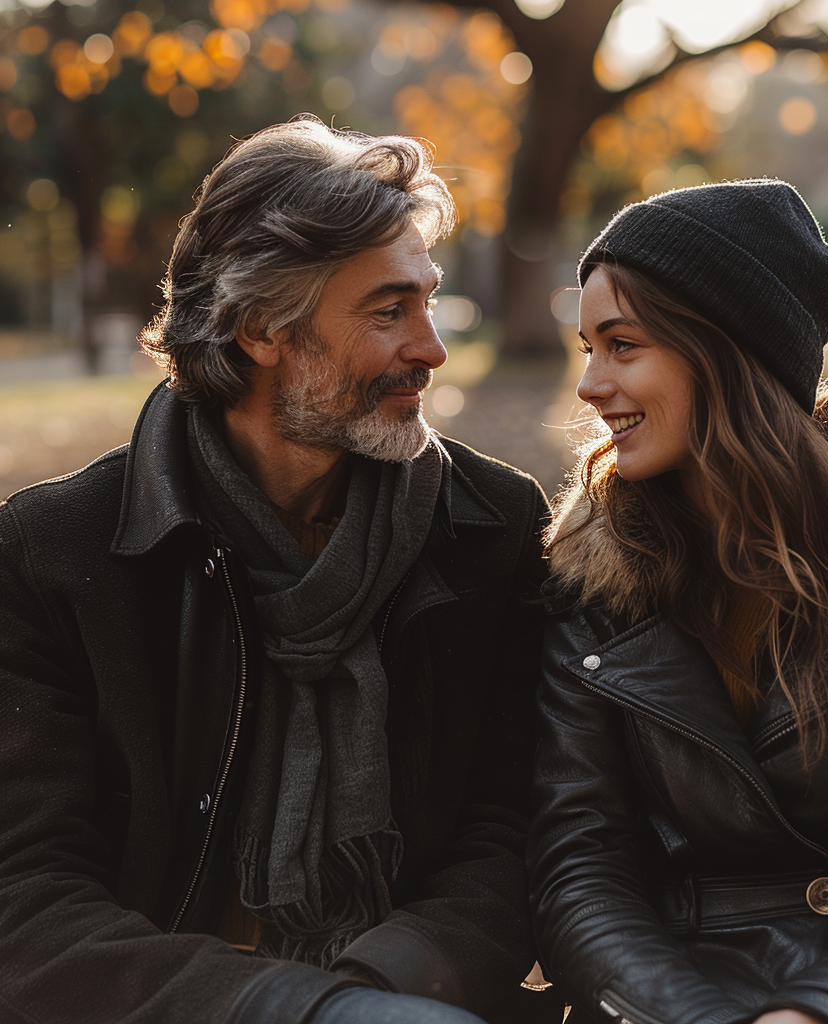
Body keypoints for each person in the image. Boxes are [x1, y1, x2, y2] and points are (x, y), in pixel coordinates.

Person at [0, 117, 555, 1024]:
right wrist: (301, 1011)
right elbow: (25, 905)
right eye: (388, 311)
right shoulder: (50, 556)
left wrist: (380, 995)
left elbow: (513, 832)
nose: (433, 348)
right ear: (261, 329)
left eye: (429, 300)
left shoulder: (493, 529)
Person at [529, 179, 828, 1024]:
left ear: (725, 351)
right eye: (587, 346)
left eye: (621, 345)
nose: (588, 384)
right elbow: (582, 867)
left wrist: (826, 1010)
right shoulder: (592, 573)